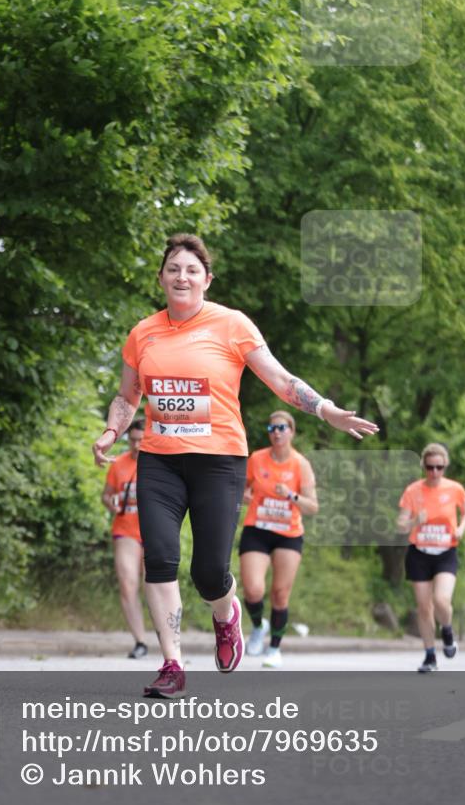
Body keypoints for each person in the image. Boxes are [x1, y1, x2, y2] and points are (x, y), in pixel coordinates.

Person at [92, 233, 378, 698]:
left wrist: (326, 409)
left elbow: (281, 381)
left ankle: (226, 616)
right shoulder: (143, 332)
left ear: (207, 279)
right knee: (159, 559)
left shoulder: (231, 325)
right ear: (161, 278)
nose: (181, 277)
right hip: (160, 463)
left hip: (219, 462)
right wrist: (111, 432)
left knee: (208, 571)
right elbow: (128, 397)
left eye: (191, 270)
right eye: (173, 269)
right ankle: (173, 663)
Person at [239, 410, 317, 668]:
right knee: (253, 589)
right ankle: (258, 624)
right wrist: (244, 495)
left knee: (280, 593)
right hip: (258, 528)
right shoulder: (257, 459)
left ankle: (274, 648)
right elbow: (241, 487)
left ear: (291, 432)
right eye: (272, 428)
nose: (277, 432)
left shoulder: (300, 464)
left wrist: (292, 497)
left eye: (282, 428)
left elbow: (312, 507)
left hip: (288, 534)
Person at [397, 443, 465, 674]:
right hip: (419, 553)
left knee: (441, 600)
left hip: (445, 552)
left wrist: (461, 528)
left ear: (445, 466)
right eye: (430, 467)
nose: (435, 472)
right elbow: (400, 525)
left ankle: (447, 631)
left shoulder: (455, 489)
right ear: (424, 466)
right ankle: (430, 656)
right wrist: (413, 522)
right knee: (423, 607)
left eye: (439, 467)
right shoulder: (413, 491)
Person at [102, 420, 148, 659]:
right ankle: (140, 640)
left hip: (153, 532)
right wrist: (110, 503)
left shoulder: (161, 463)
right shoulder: (119, 463)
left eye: (142, 439)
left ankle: (166, 635)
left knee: (153, 586)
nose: (138, 445)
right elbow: (106, 495)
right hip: (126, 530)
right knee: (128, 584)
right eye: (133, 440)